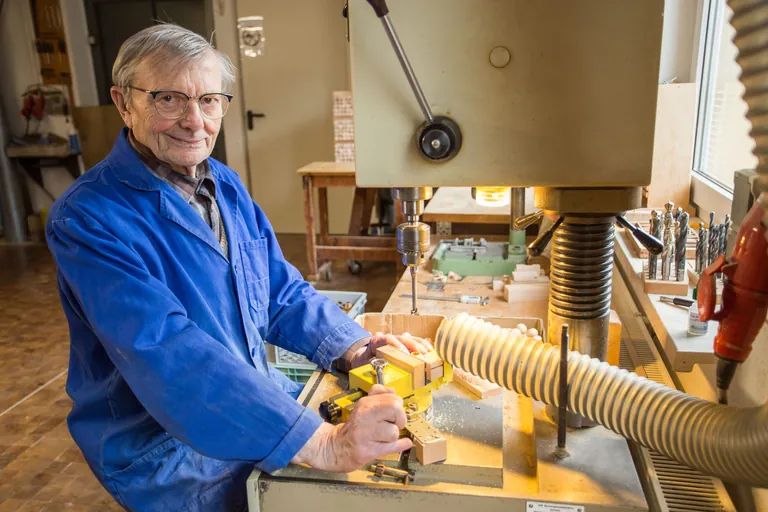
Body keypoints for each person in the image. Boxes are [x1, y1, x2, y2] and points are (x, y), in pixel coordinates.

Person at [46, 24, 428, 511]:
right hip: (167, 448)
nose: (194, 120)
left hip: (248, 401)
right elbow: (169, 355)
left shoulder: (221, 183)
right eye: (168, 99)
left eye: (209, 100)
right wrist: (322, 444)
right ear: (124, 104)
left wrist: (354, 347)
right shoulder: (88, 218)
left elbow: (277, 289)